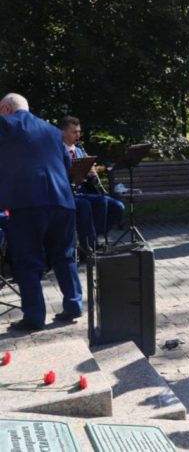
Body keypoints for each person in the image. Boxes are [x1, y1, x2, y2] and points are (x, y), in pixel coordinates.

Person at [0, 93, 83, 331]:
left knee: (28, 261)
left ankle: (34, 317)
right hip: (62, 201)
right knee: (64, 255)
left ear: (6, 108)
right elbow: (66, 166)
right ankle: (73, 305)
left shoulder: (5, 123)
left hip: (27, 203)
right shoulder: (52, 131)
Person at [60, 116, 125, 246]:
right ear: (63, 132)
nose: (78, 135)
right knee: (97, 203)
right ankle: (90, 244)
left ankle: (97, 237)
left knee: (118, 206)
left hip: (83, 192)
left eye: (79, 131)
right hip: (67, 193)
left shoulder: (79, 150)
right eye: (74, 132)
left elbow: (89, 181)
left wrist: (92, 174)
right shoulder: (57, 151)